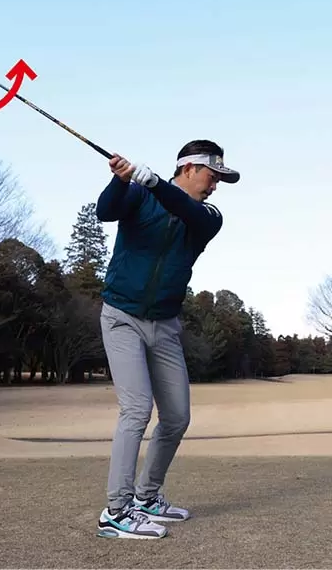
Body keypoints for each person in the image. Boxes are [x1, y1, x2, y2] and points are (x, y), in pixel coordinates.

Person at [93, 139, 240, 539]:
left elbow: (185, 210)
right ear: (189, 168)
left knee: (176, 416)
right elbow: (105, 211)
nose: (215, 186)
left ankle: (146, 497)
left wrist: (155, 183)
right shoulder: (139, 195)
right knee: (137, 409)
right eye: (212, 176)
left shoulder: (208, 216)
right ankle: (116, 511)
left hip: (166, 325)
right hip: (122, 316)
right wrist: (122, 181)